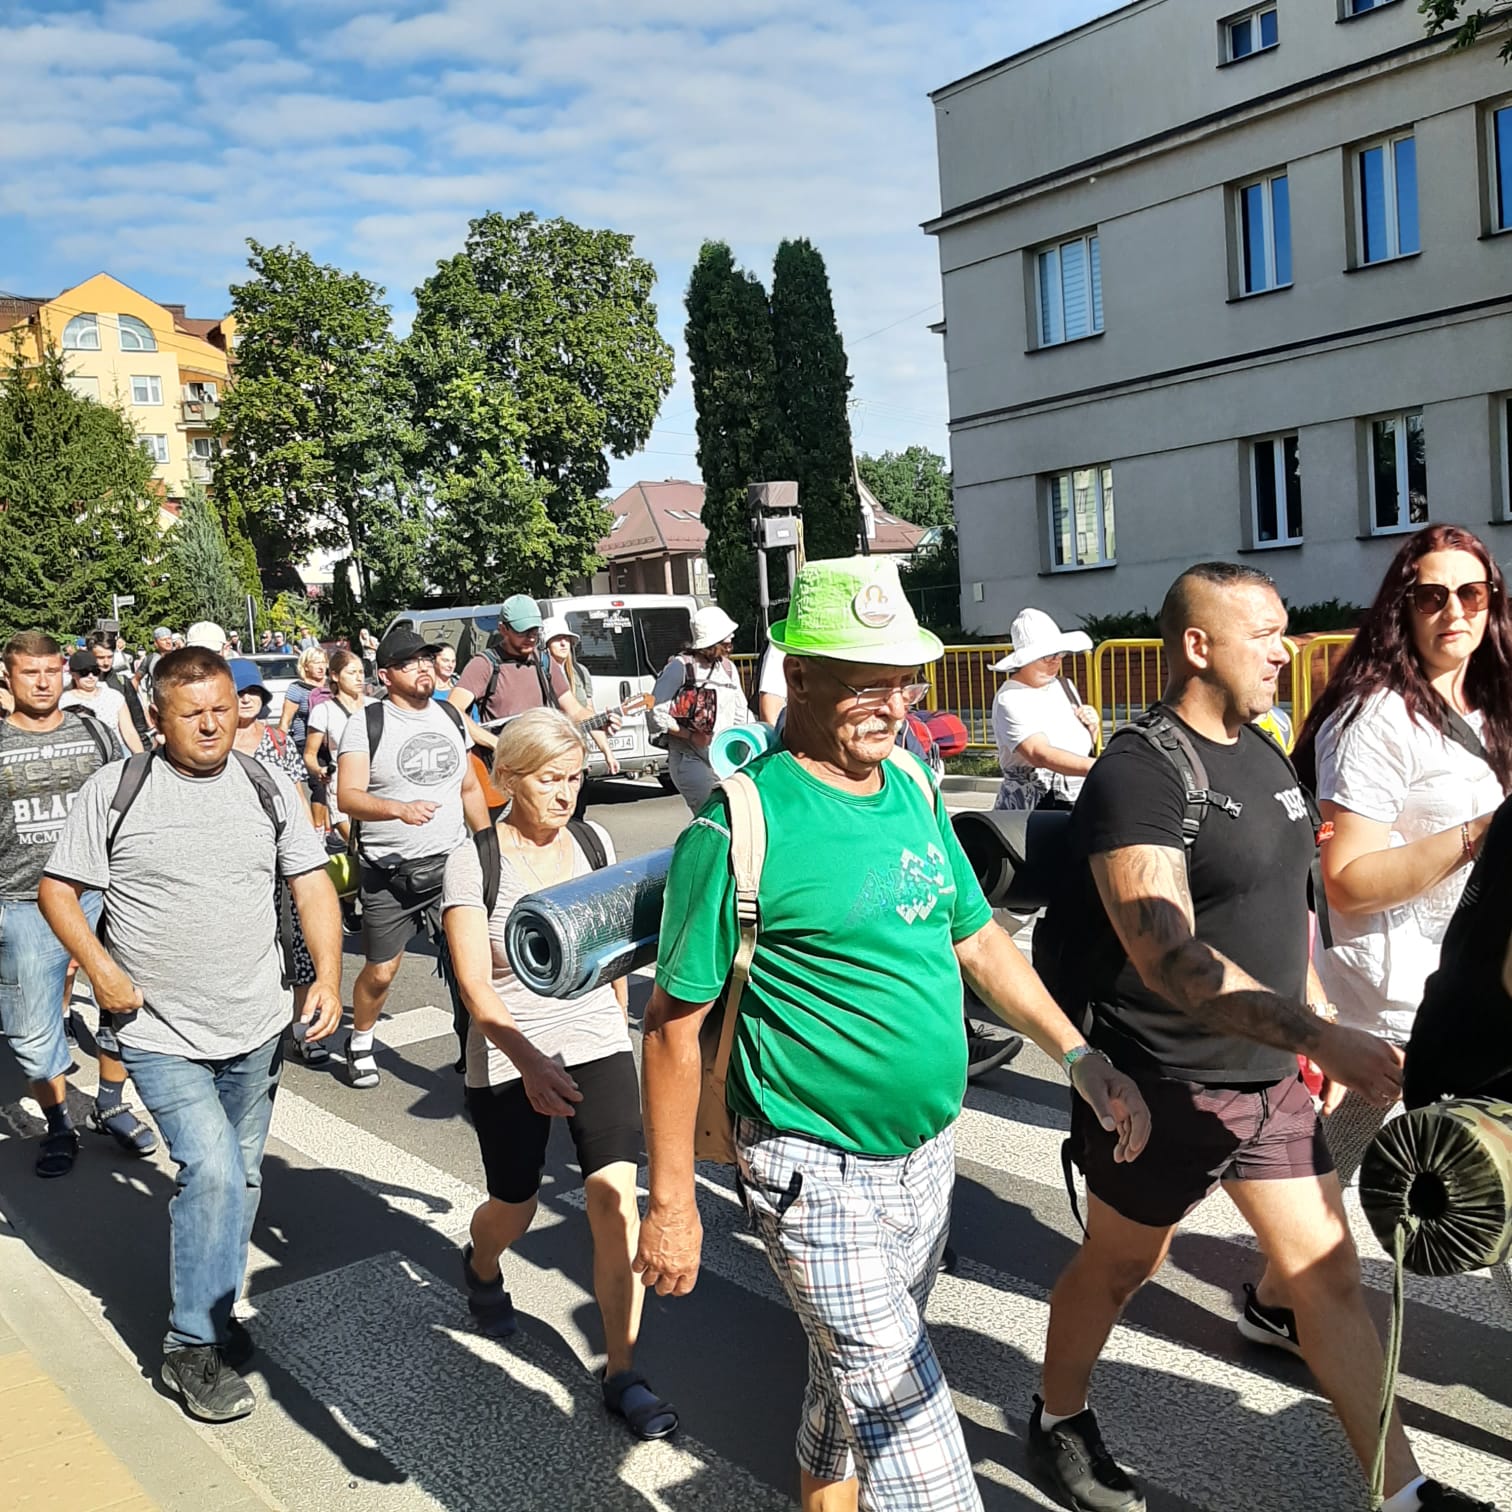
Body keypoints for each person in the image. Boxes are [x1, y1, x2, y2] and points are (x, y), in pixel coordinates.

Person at [634, 555, 1148, 1512]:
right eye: (863, 682)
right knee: (907, 1419)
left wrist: (1078, 1057)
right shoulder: (738, 825)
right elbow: (671, 1029)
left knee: (849, 1388)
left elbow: (976, 940)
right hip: (810, 1172)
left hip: (926, 1159)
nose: (892, 704)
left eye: (902, 681)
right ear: (798, 676)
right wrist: (671, 1203)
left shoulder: (912, 784)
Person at [1031, 561, 1491, 1512]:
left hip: (1271, 1084)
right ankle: (1058, 1414)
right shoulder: (1138, 774)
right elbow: (1170, 957)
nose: (1285, 652)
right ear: (1198, 646)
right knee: (1122, 1267)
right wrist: (1322, 1035)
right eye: (1266, 634)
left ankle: (1403, 1494)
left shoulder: (1265, 749)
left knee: (1326, 1278)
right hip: (1163, 1086)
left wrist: (1314, 1014)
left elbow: (1284, 909)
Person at [38, 647, 342, 1423]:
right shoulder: (117, 790)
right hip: (158, 1029)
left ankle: (213, 1308)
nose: (211, 725)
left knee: (241, 1177)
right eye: (192, 712)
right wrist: (102, 972)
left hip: (257, 1024)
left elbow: (311, 883)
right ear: (156, 717)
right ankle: (189, 1348)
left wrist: (328, 979)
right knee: (210, 1171)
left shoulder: (267, 784)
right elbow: (58, 891)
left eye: (222, 709)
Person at [442, 707, 677, 1437]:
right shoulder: (475, 860)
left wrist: (618, 1017)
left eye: (574, 778)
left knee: (615, 1202)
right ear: (509, 778)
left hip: (595, 1042)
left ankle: (623, 1372)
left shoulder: (592, 840)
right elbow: (474, 985)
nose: (566, 793)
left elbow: (620, 938)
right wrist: (530, 1063)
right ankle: (482, 1264)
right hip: (510, 1048)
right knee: (514, 1205)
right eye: (549, 779)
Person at [1283, 525, 1511, 1191]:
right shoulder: (1372, 719)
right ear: (1402, 608)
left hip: (1475, 970)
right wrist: (1485, 831)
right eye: (1432, 596)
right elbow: (1347, 881)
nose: (1455, 611)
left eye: (1472, 594)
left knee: (1459, 1175)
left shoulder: (1492, 703)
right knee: (1338, 1178)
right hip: (1398, 993)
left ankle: (1290, 1262)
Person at [0, 632, 156, 1177]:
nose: (43, 683)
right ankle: (59, 1123)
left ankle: (109, 1103)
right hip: (23, 902)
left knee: (125, 1000)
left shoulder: (93, 730)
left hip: (100, 891)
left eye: (51, 671)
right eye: (30, 673)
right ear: (7, 677)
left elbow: (131, 800)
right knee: (30, 1030)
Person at [338, 626, 488, 1090]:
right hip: (391, 873)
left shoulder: (450, 715)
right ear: (385, 675)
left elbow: (469, 787)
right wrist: (397, 809)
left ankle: (474, 1052)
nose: (422, 668)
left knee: (471, 965)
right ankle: (361, 1041)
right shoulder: (366, 723)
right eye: (408, 663)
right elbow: (347, 796)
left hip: (452, 864)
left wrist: (488, 843)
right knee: (382, 971)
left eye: (425, 659)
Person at [230, 660, 324, 1060]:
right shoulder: (211, 745)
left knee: (300, 946)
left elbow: (298, 794)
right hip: (235, 863)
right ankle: (251, 1031)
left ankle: (305, 1031)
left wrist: (309, 851)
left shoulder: (279, 741)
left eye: (253, 692)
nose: (246, 699)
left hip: (282, 855)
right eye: (238, 693)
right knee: (247, 948)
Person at [990, 608, 1099, 811]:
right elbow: (1039, 754)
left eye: (1060, 653)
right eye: (1047, 656)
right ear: (1024, 660)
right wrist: (1099, 767)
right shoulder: (1010, 698)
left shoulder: (1064, 685)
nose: (1056, 661)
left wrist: (1092, 727)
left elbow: (1078, 745)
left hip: (1077, 799)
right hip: (1032, 809)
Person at [649, 605, 751, 813]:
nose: (730, 645)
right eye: (725, 642)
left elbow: (741, 713)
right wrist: (690, 736)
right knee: (714, 812)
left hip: (723, 759)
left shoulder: (728, 669)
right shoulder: (680, 667)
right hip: (689, 757)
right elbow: (655, 712)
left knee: (733, 815)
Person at [449, 595, 557, 753]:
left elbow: (574, 709)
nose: (531, 638)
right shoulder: (484, 664)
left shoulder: (544, 661)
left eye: (534, 631)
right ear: (503, 629)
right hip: (502, 761)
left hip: (539, 756)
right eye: (522, 632)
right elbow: (453, 709)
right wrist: (496, 743)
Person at [541, 616, 620, 776]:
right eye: (557, 639)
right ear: (546, 644)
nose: (563, 643)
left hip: (578, 761)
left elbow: (588, 716)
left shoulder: (580, 672)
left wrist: (608, 753)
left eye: (566, 639)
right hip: (549, 760)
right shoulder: (538, 673)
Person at [305, 649, 366, 840]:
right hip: (341, 785)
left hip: (376, 784)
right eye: (352, 672)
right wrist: (319, 770)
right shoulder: (324, 711)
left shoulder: (375, 706)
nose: (359, 678)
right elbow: (309, 754)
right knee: (357, 846)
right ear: (335, 676)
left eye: (361, 672)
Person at [280, 646, 329, 824]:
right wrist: (281, 746)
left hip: (331, 742)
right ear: (305, 666)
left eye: (323, 662)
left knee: (333, 787)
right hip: (305, 742)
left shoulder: (332, 686)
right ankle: (318, 828)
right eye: (316, 662)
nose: (321, 667)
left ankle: (330, 828)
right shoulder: (297, 689)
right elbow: (286, 720)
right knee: (319, 785)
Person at [61, 649, 143, 755]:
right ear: (73, 674)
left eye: (95, 671)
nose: (91, 676)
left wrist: (140, 757)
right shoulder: (64, 701)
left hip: (117, 752)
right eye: (84, 673)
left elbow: (129, 731)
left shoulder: (114, 696)